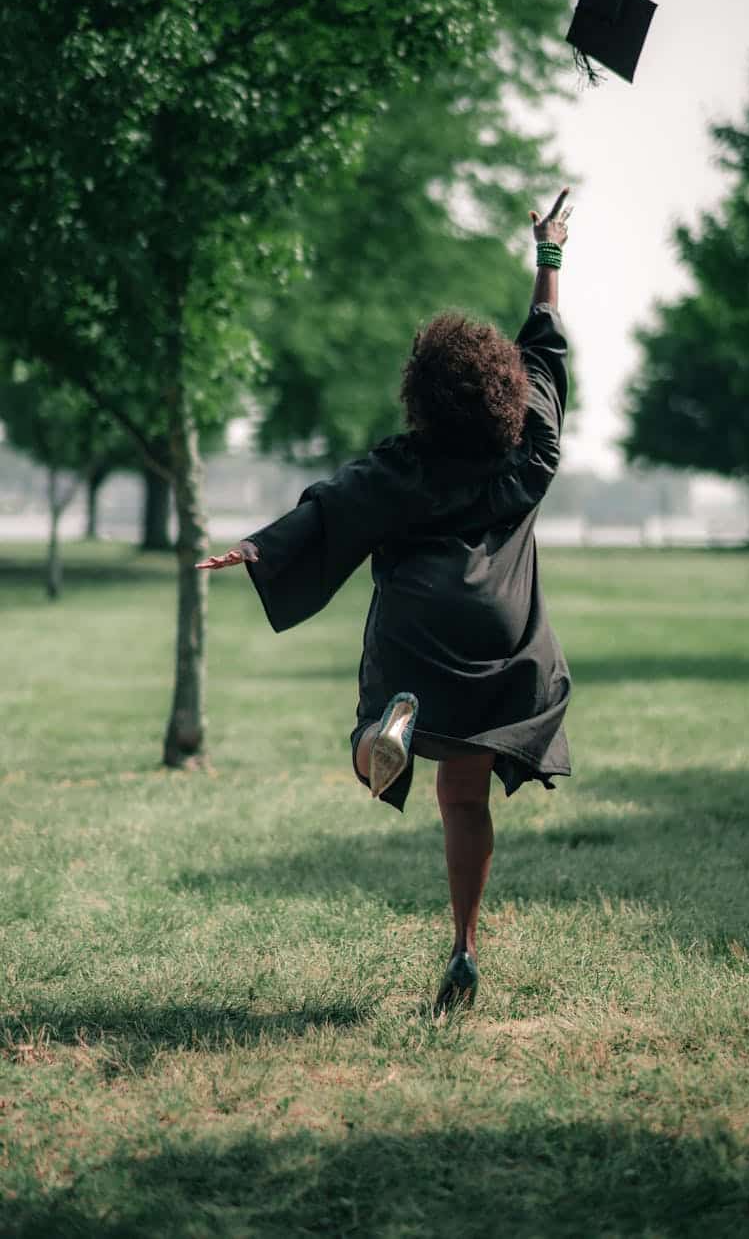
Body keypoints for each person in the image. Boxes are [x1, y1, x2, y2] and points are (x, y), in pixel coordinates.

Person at [197, 189, 573, 1012]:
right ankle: (464, 948)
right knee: (463, 795)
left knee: (384, 725)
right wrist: (547, 257)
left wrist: (257, 546)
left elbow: (332, 505)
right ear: (501, 390)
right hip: (497, 638)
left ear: (422, 396)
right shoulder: (534, 451)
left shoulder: (406, 465)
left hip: (416, 629)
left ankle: (387, 723)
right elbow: (544, 347)